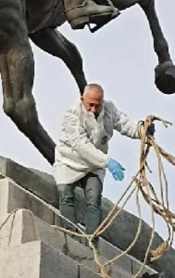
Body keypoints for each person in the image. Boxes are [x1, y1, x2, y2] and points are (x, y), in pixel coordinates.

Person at [52, 83, 154, 248]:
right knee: (66, 195)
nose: (93, 109)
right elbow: (81, 145)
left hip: (94, 166)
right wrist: (108, 162)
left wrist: (142, 129)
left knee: (93, 200)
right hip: (69, 162)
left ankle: (92, 243)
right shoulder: (71, 115)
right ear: (82, 100)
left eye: (97, 105)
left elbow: (124, 123)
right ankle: (69, 236)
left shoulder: (109, 109)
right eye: (90, 105)